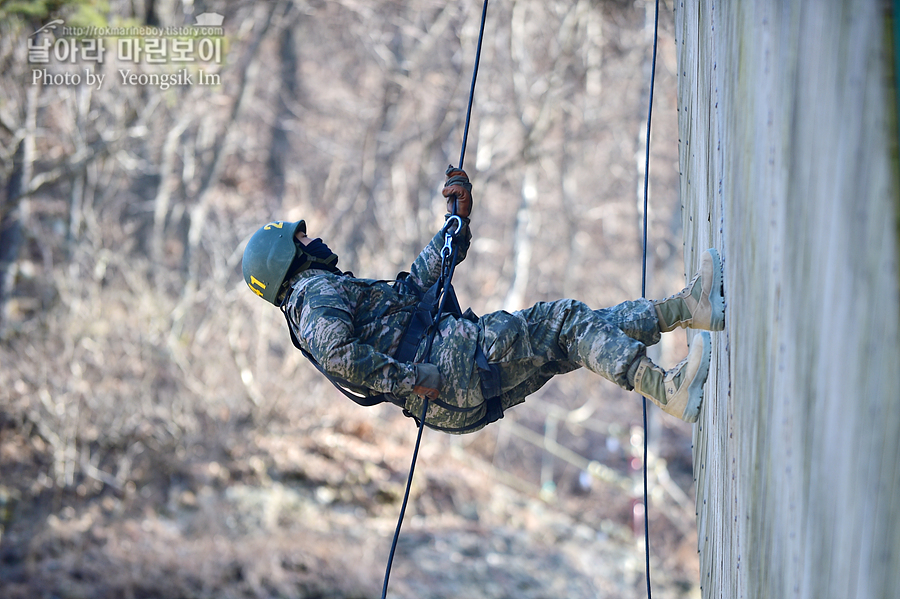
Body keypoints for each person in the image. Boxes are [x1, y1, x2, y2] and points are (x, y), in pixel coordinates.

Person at [242, 168, 725, 433]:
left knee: (575, 338)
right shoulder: (313, 296)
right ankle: (667, 390)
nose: (312, 241)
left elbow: (410, 293)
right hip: (451, 366)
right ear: (285, 259)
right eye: (301, 241)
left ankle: (689, 309)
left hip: (451, 394)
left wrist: (454, 226)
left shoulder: (317, 296)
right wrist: (413, 378)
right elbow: (339, 356)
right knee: (565, 321)